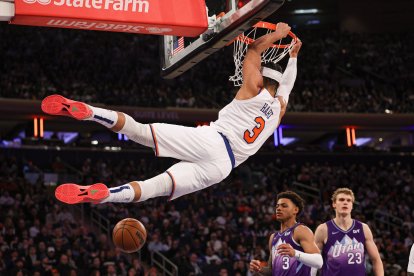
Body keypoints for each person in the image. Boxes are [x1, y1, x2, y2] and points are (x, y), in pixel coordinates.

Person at [41, 22, 302, 205]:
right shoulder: (279, 109)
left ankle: (90, 113)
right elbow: (287, 88)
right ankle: (107, 194)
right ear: (277, 85)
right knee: (155, 187)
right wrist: (292, 58)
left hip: (214, 141)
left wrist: (278, 35)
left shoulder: (253, 89)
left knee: (140, 132)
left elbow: (255, 49)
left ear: (261, 77)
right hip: (224, 168)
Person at [249, 191, 323, 275]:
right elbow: (272, 270)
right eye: (277, 206)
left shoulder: (300, 230)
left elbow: (319, 261)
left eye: (284, 206)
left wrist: (295, 253)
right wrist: (260, 269)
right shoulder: (273, 237)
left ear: (295, 210)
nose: (279, 208)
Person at [313, 188, 384, 276]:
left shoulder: (363, 228)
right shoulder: (323, 229)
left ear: (352, 205)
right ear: (334, 204)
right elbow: (313, 262)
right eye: (341, 200)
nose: (345, 202)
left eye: (349, 200)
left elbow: (376, 260)